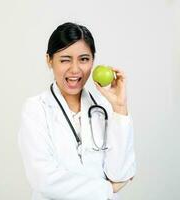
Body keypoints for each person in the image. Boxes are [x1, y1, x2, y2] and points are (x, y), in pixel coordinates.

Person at [18, 22, 136, 200]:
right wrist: (106, 189)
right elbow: (43, 179)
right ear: (49, 60)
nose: (75, 69)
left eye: (84, 59)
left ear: (93, 61)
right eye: (65, 60)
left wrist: (120, 108)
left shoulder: (105, 107)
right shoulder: (36, 109)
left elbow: (120, 174)